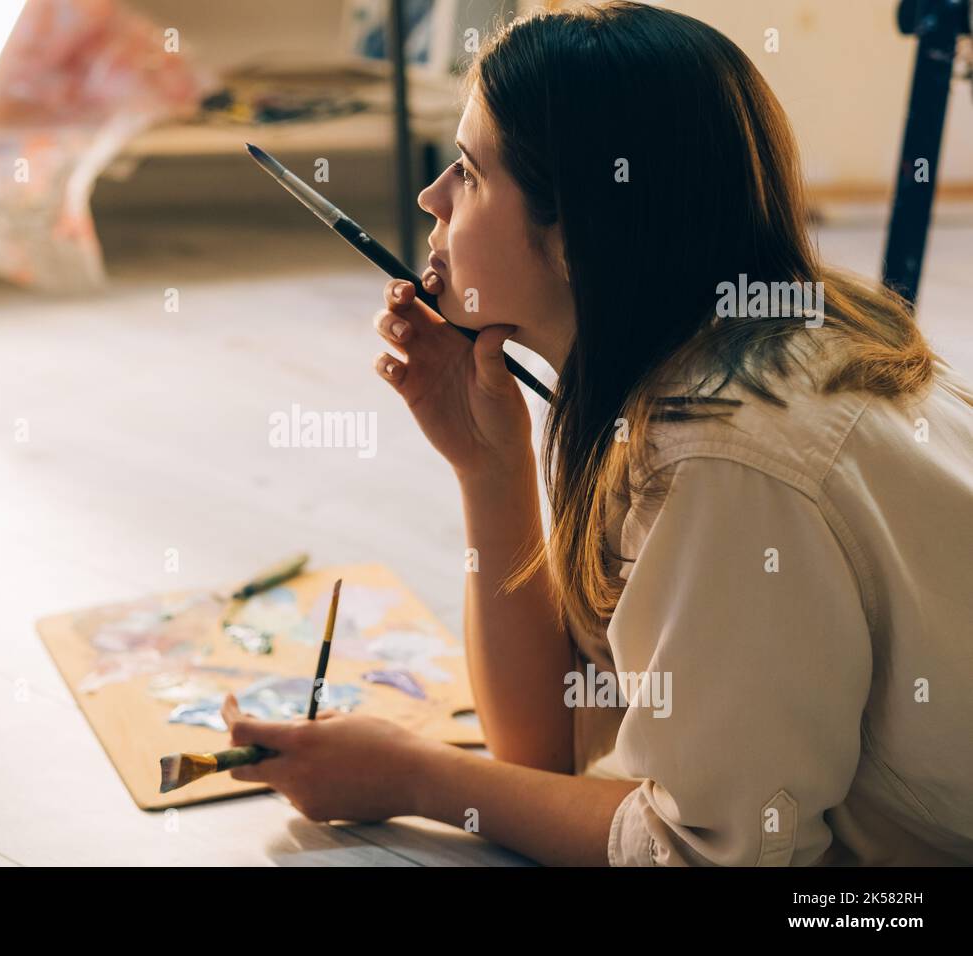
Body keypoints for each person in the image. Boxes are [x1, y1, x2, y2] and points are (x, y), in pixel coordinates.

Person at [220, 1, 973, 866]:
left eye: (467, 169)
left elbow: (700, 855)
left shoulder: (725, 456)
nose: (431, 196)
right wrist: (489, 467)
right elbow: (548, 751)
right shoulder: (717, 362)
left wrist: (416, 778)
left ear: (576, 233)